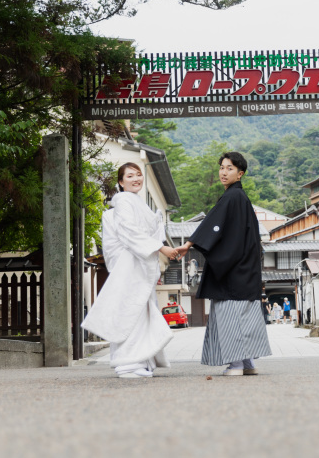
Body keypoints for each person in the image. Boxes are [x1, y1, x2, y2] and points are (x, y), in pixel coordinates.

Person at [175, 152, 271, 376]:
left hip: (233, 271)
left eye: (230, 168)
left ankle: (236, 365)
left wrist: (188, 244)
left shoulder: (232, 197)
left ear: (240, 174)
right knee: (244, 317)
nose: (224, 172)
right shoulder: (241, 198)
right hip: (245, 269)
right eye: (222, 167)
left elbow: (212, 224)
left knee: (231, 317)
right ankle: (248, 363)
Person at [81, 162, 179, 378]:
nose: (136, 179)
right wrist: (161, 247)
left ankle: (141, 361)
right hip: (131, 264)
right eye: (130, 176)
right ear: (121, 181)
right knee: (132, 313)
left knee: (139, 312)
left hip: (139, 263)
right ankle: (127, 364)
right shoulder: (124, 201)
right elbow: (129, 232)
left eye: (138, 174)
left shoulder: (136, 202)